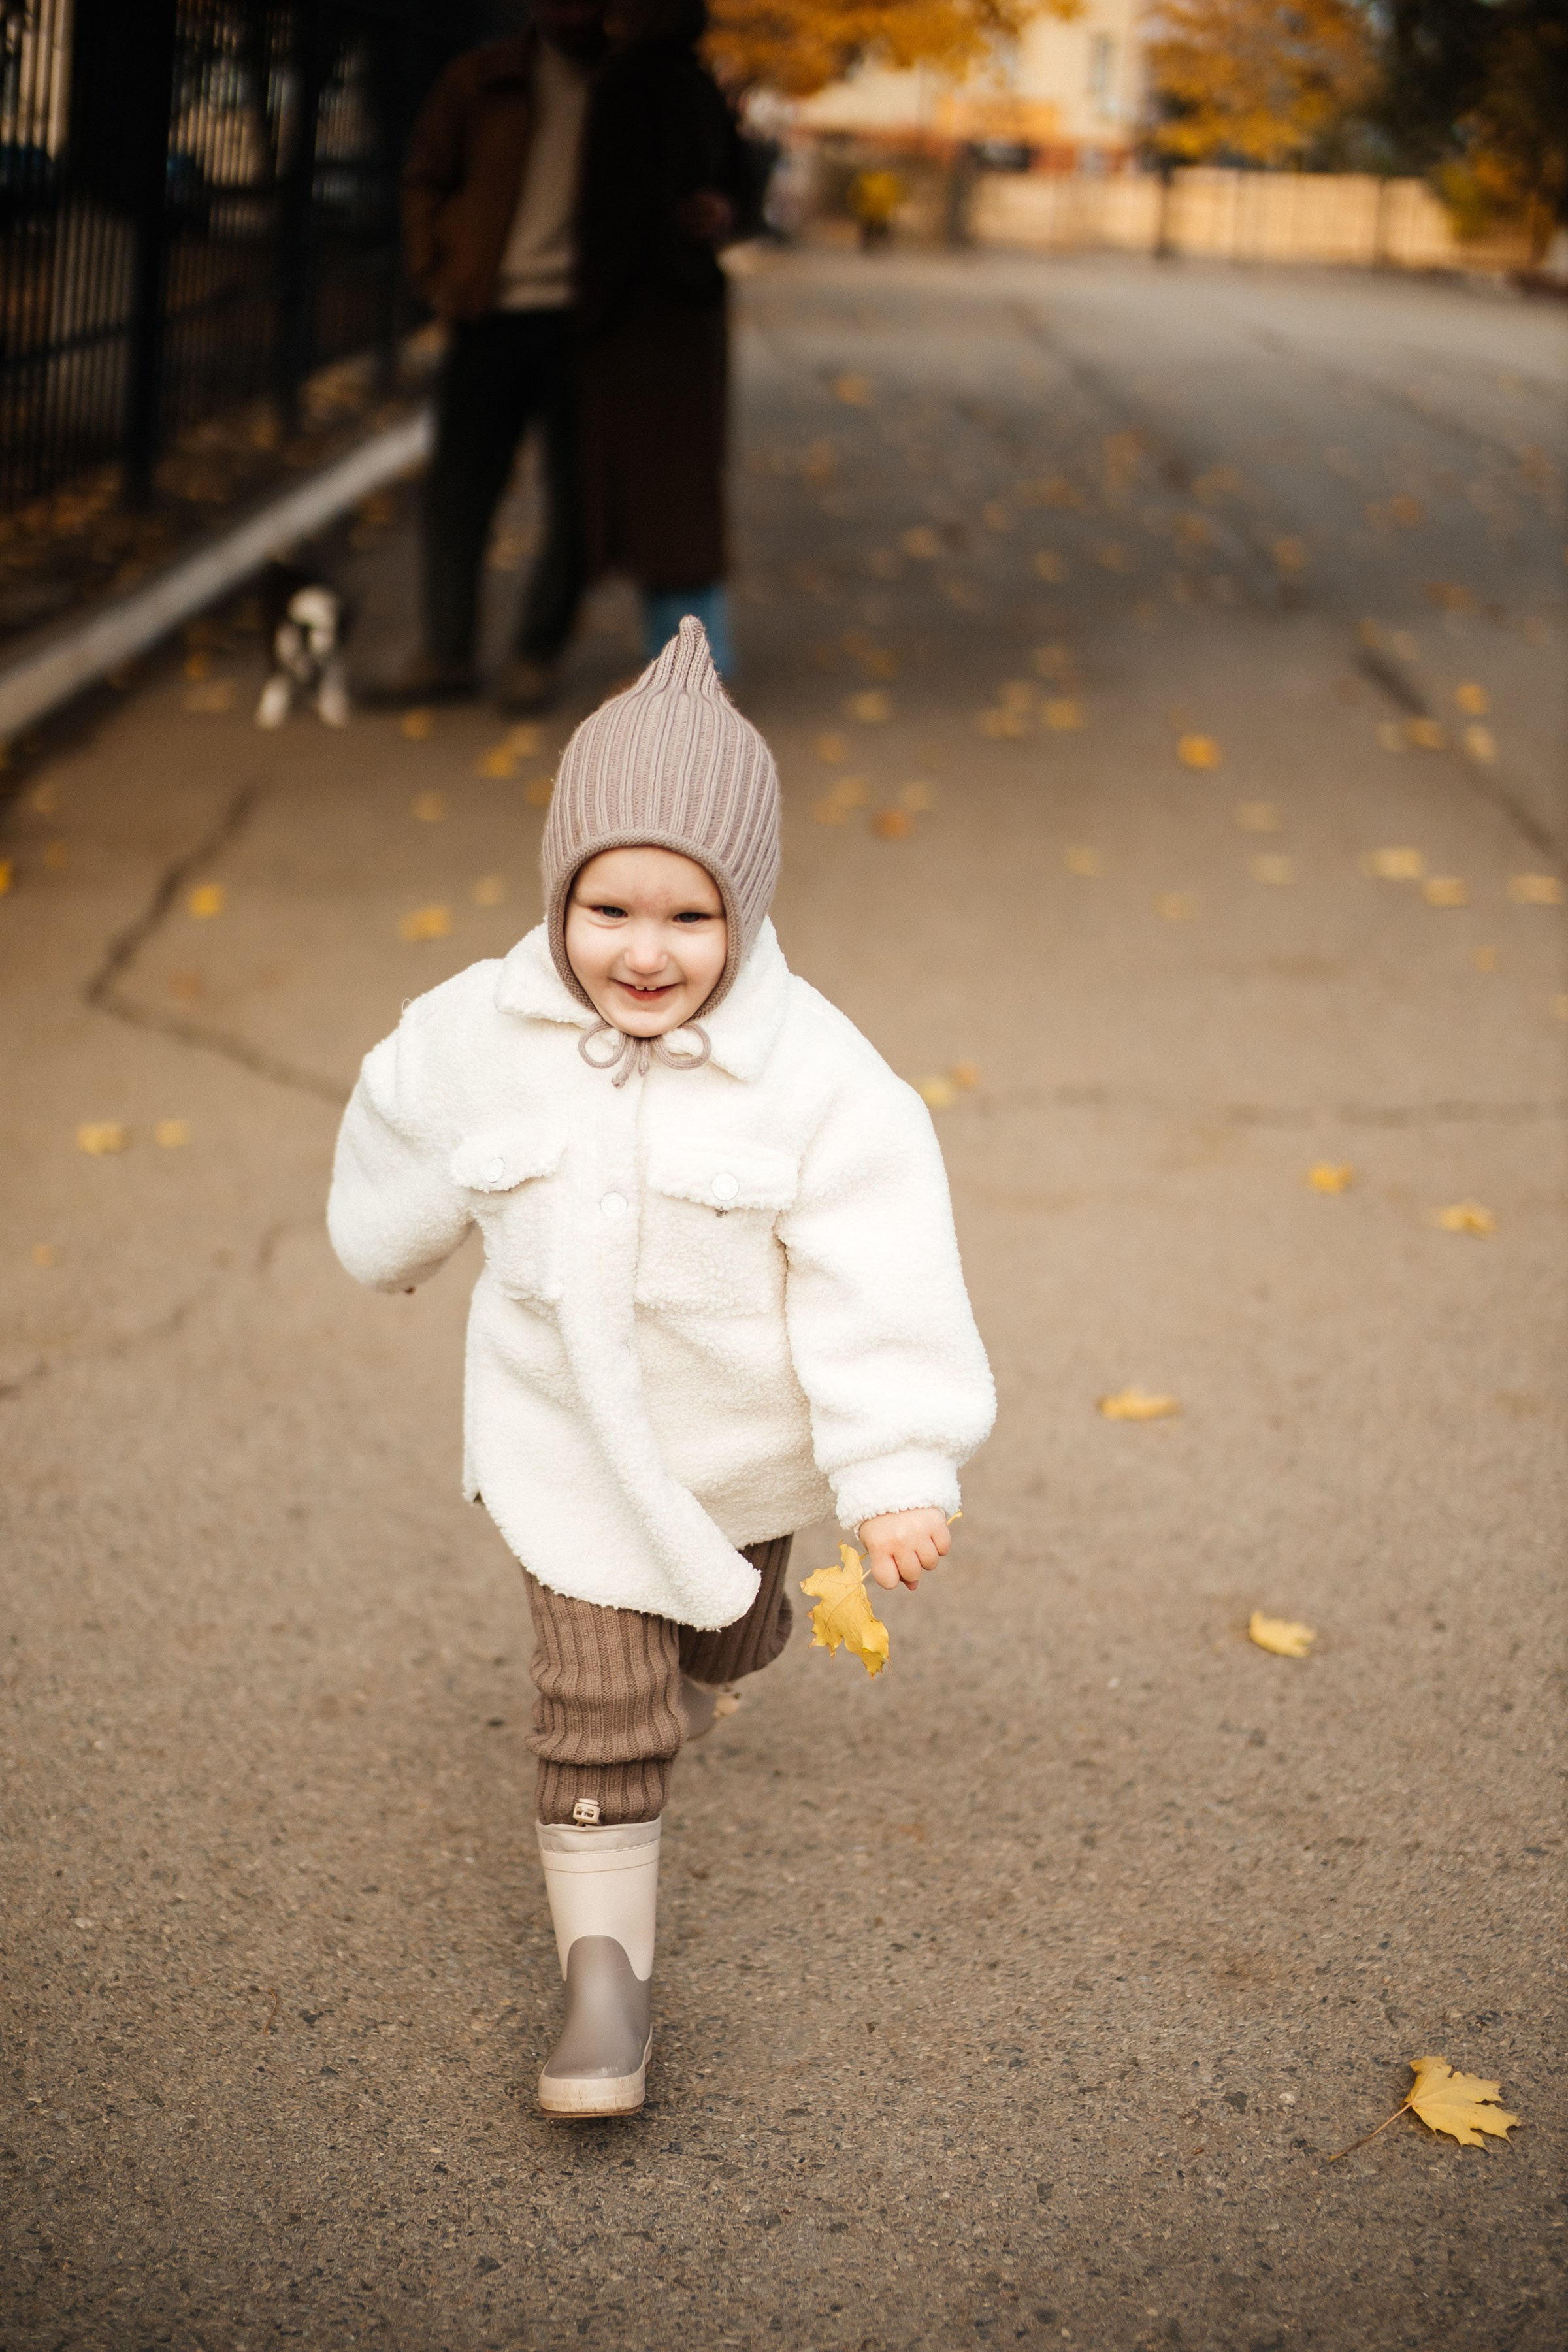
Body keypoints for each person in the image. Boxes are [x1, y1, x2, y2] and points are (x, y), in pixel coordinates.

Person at [327, 620, 994, 2119]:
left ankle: (707, 1662)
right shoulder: (484, 1029)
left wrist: (888, 1469)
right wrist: (393, 1235)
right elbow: (398, 1115)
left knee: (721, 1640)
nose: (641, 948)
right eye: (606, 905)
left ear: (742, 916)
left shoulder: (817, 1077)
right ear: (558, 893)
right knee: (596, 1708)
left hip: (733, 1457)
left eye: (685, 917)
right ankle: (603, 1989)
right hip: (560, 1445)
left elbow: (873, 1270)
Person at [376, 0, 607, 714]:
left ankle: (536, 653)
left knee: (577, 501)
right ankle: (447, 650)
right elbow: (424, 177)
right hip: (489, 314)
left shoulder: (632, 85)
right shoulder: (479, 80)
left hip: (588, 326)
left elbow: (713, 177)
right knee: (458, 492)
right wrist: (436, 272)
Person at [573, 0, 754, 675]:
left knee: (660, 509)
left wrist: (587, 319)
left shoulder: (630, 86)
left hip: (640, 322)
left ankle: (691, 668)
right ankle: (701, 659)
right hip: (679, 316)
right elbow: (735, 184)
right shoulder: (694, 83)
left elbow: (614, 214)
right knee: (676, 506)